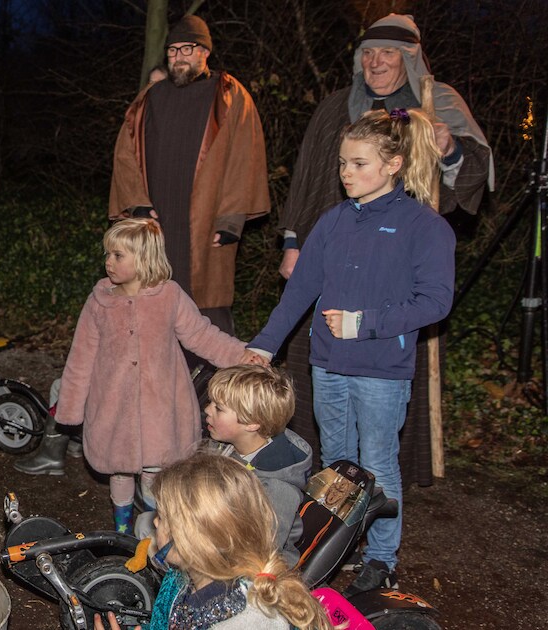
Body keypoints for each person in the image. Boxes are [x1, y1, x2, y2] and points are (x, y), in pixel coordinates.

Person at [277, 14, 492, 486]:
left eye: (388, 53)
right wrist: (293, 240)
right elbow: (308, 175)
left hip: (392, 269)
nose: (375, 62)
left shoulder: (433, 104)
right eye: (368, 53)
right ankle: (331, 502)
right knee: (323, 379)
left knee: (381, 417)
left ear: (410, 60)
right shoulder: (338, 106)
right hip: (331, 248)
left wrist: (450, 147)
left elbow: (476, 170)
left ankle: (382, 507)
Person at [248, 109, 456, 596]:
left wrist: (366, 325)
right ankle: (334, 546)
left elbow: (436, 301)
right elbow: (300, 292)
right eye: (343, 163)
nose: (347, 174)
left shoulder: (423, 226)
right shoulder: (333, 221)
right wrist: (263, 344)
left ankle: (382, 558)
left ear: (393, 164)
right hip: (328, 365)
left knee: (378, 463)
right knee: (338, 464)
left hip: (383, 369)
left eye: (359, 164)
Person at [53, 218, 264, 533]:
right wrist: (70, 408)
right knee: (119, 470)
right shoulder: (100, 301)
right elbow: (81, 356)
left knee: (156, 470)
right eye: (107, 254)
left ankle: (153, 533)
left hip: (161, 407)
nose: (108, 262)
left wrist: (242, 355)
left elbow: (201, 335)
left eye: (118, 256)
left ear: (143, 259)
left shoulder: (169, 297)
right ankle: (122, 532)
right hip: (113, 406)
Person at [109, 14, 270, 340]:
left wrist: (231, 220)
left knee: (207, 310)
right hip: (156, 222)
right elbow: (125, 153)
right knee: (151, 300)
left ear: (204, 52)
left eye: (188, 49)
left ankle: (212, 385)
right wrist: (136, 204)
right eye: (172, 51)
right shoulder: (150, 98)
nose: (179, 57)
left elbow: (245, 157)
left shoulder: (228, 95)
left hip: (206, 221)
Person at [148, 454, 332, 630]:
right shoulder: (185, 578)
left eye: (162, 518)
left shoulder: (247, 622)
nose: (155, 522)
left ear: (194, 539)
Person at [202, 365, 312, 566]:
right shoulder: (225, 448)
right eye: (211, 402)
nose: (207, 410)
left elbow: (262, 551)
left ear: (251, 423)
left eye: (218, 408)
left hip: (257, 570)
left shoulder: (278, 490)